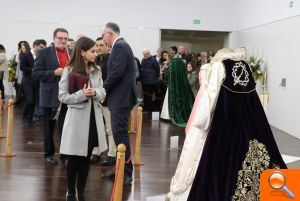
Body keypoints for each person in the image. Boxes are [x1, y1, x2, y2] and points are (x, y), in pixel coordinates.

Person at [186, 47, 287, 200]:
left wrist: (202, 122)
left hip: (226, 118)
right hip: (252, 116)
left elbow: (211, 94)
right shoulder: (245, 65)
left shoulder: (220, 66)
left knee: (222, 158)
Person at [59, 36, 107, 201]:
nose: (96, 53)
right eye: (93, 51)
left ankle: (81, 192)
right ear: (82, 52)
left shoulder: (97, 69)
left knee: (86, 158)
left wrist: (94, 92)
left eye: (96, 50)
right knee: (74, 158)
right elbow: (63, 96)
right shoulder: (69, 70)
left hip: (93, 119)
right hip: (76, 120)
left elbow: (102, 91)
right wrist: (81, 94)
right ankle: (71, 191)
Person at [100, 22, 137, 185]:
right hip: (120, 98)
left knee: (120, 135)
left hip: (121, 98)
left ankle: (127, 173)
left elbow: (116, 73)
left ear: (109, 34)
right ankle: (120, 169)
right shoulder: (121, 46)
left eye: (103, 36)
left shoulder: (120, 46)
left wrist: (102, 90)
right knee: (118, 135)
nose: (103, 39)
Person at [32, 28, 71, 166]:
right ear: (54, 39)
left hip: (68, 97)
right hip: (50, 96)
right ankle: (48, 154)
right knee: (49, 128)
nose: (63, 41)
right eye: (60, 38)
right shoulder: (43, 53)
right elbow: (35, 74)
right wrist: (53, 73)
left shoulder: (71, 53)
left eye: (65, 38)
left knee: (66, 128)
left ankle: (65, 156)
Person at [90, 36, 116, 166]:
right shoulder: (94, 60)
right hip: (95, 99)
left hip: (107, 99)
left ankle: (112, 153)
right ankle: (96, 151)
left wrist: (103, 94)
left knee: (110, 128)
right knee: (96, 127)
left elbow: (111, 80)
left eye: (101, 45)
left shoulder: (111, 59)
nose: (99, 48)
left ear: (107, 47)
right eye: (97, 45)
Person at [160, 50, 194, 127]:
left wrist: (165, 71)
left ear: (170, 56)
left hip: (173, 86)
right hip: (180, 85)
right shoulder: (180, 62)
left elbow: (170, 74)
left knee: (171, 101)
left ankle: (168, 116)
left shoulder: (173, 64)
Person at [20, 39, 45, 125]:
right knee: (29, 100)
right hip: (28, 81)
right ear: (35, 46)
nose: (42, 48)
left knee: (34, 101)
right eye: (40, 47)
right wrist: (34, 70)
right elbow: (22, 67)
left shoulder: (40, 55)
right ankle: (24, 118)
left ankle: (30, 119)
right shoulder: (26, 55)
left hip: (37, 81)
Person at [141, 48, 160, 113]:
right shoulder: (143, 60)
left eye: (147, 54)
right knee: (145, 96)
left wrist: (155, 77)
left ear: (149, 53)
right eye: (144, 54)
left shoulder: (153, 60)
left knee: (149, 96)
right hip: (144, 81)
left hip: (151, 81)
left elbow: (157, 69)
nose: (146, 55)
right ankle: (145, 108)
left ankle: (148, 110)